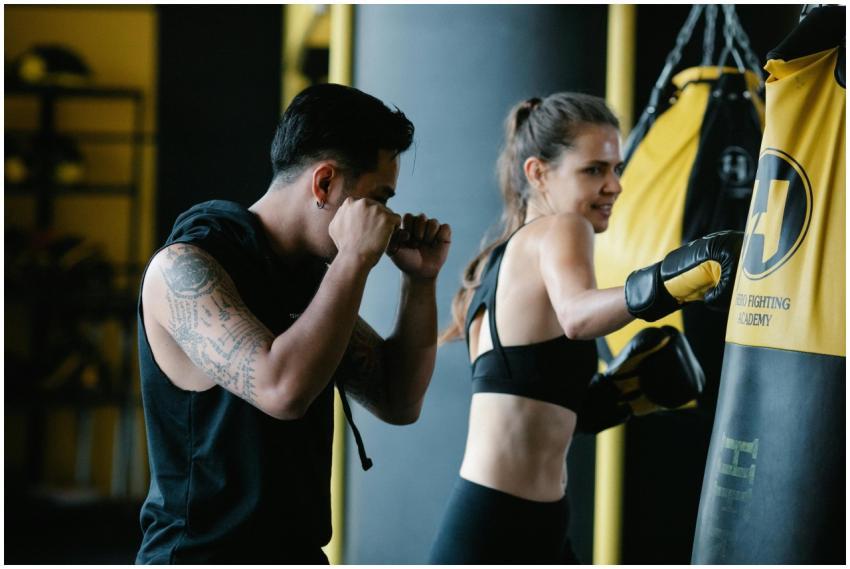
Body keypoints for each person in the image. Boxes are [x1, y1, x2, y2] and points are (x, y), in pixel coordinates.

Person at [135, 83, 451, 564]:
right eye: (377, 199)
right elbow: (281, 391)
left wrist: (420, 283)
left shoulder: (305, 279)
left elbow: (398, 399)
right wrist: (355, 260)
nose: (386, 219)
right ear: (324, 184)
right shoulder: (185, 267)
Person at [430, 93, 740, 564]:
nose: (614, 185)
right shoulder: (561, 229)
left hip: (514, 521)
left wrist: (617, 396)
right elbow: (578, 315)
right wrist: (675, 280)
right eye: (594, 170)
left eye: (616, 168)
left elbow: (525, 408)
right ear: (538, 173)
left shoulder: (500, 263)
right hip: (501, 528)